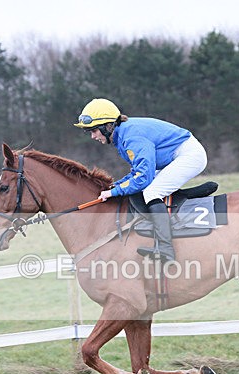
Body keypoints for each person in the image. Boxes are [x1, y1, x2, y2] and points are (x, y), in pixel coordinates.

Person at [74, 98, 207, 262]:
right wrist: (116, 186)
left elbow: (143, 178)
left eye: (94, 130)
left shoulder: (131, 138)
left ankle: (166, 249)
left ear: (108, 126)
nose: (93, 136)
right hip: (174, 156)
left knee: (152, 191)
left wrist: (114, 192)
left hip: (189, 155)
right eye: (89, 132)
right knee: (149, 189)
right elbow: (137, 172)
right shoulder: (123, 136)